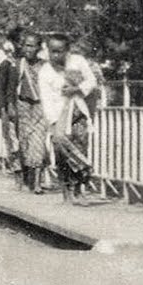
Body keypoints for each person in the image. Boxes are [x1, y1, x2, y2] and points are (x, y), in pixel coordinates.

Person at [39, 33, 97, 204]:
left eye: (60, 51)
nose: (56, 55)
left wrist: (77, 88)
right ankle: (66, 191)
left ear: (67, 51)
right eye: (52, 51)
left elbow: (92, 81)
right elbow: (46, 100)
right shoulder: (45, 71)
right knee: (61, 151)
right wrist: (54, 122)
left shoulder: (77, 61)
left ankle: (79, 190)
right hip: (58, 115)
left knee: (80, 145)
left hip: (78, 111)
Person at [8, 30, 50, 193]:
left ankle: (37, 182)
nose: (28, 49)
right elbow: (12, 87)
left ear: (39, 48)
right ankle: (27, 178)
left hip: (40, 107)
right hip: (23, 105)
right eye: (26, 45)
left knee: (38, 143)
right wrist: (11, 106)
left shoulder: (45, 66)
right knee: (24, 143)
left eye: (32, 46)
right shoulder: (19, 64)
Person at [0, 28, 24, 180]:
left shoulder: (26, 63)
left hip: (25, 106)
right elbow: (0, 88)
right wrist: (3, 108)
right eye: (19, 42)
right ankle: (16, 169)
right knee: (12, 138)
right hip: (9, 107)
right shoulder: (7, 64)